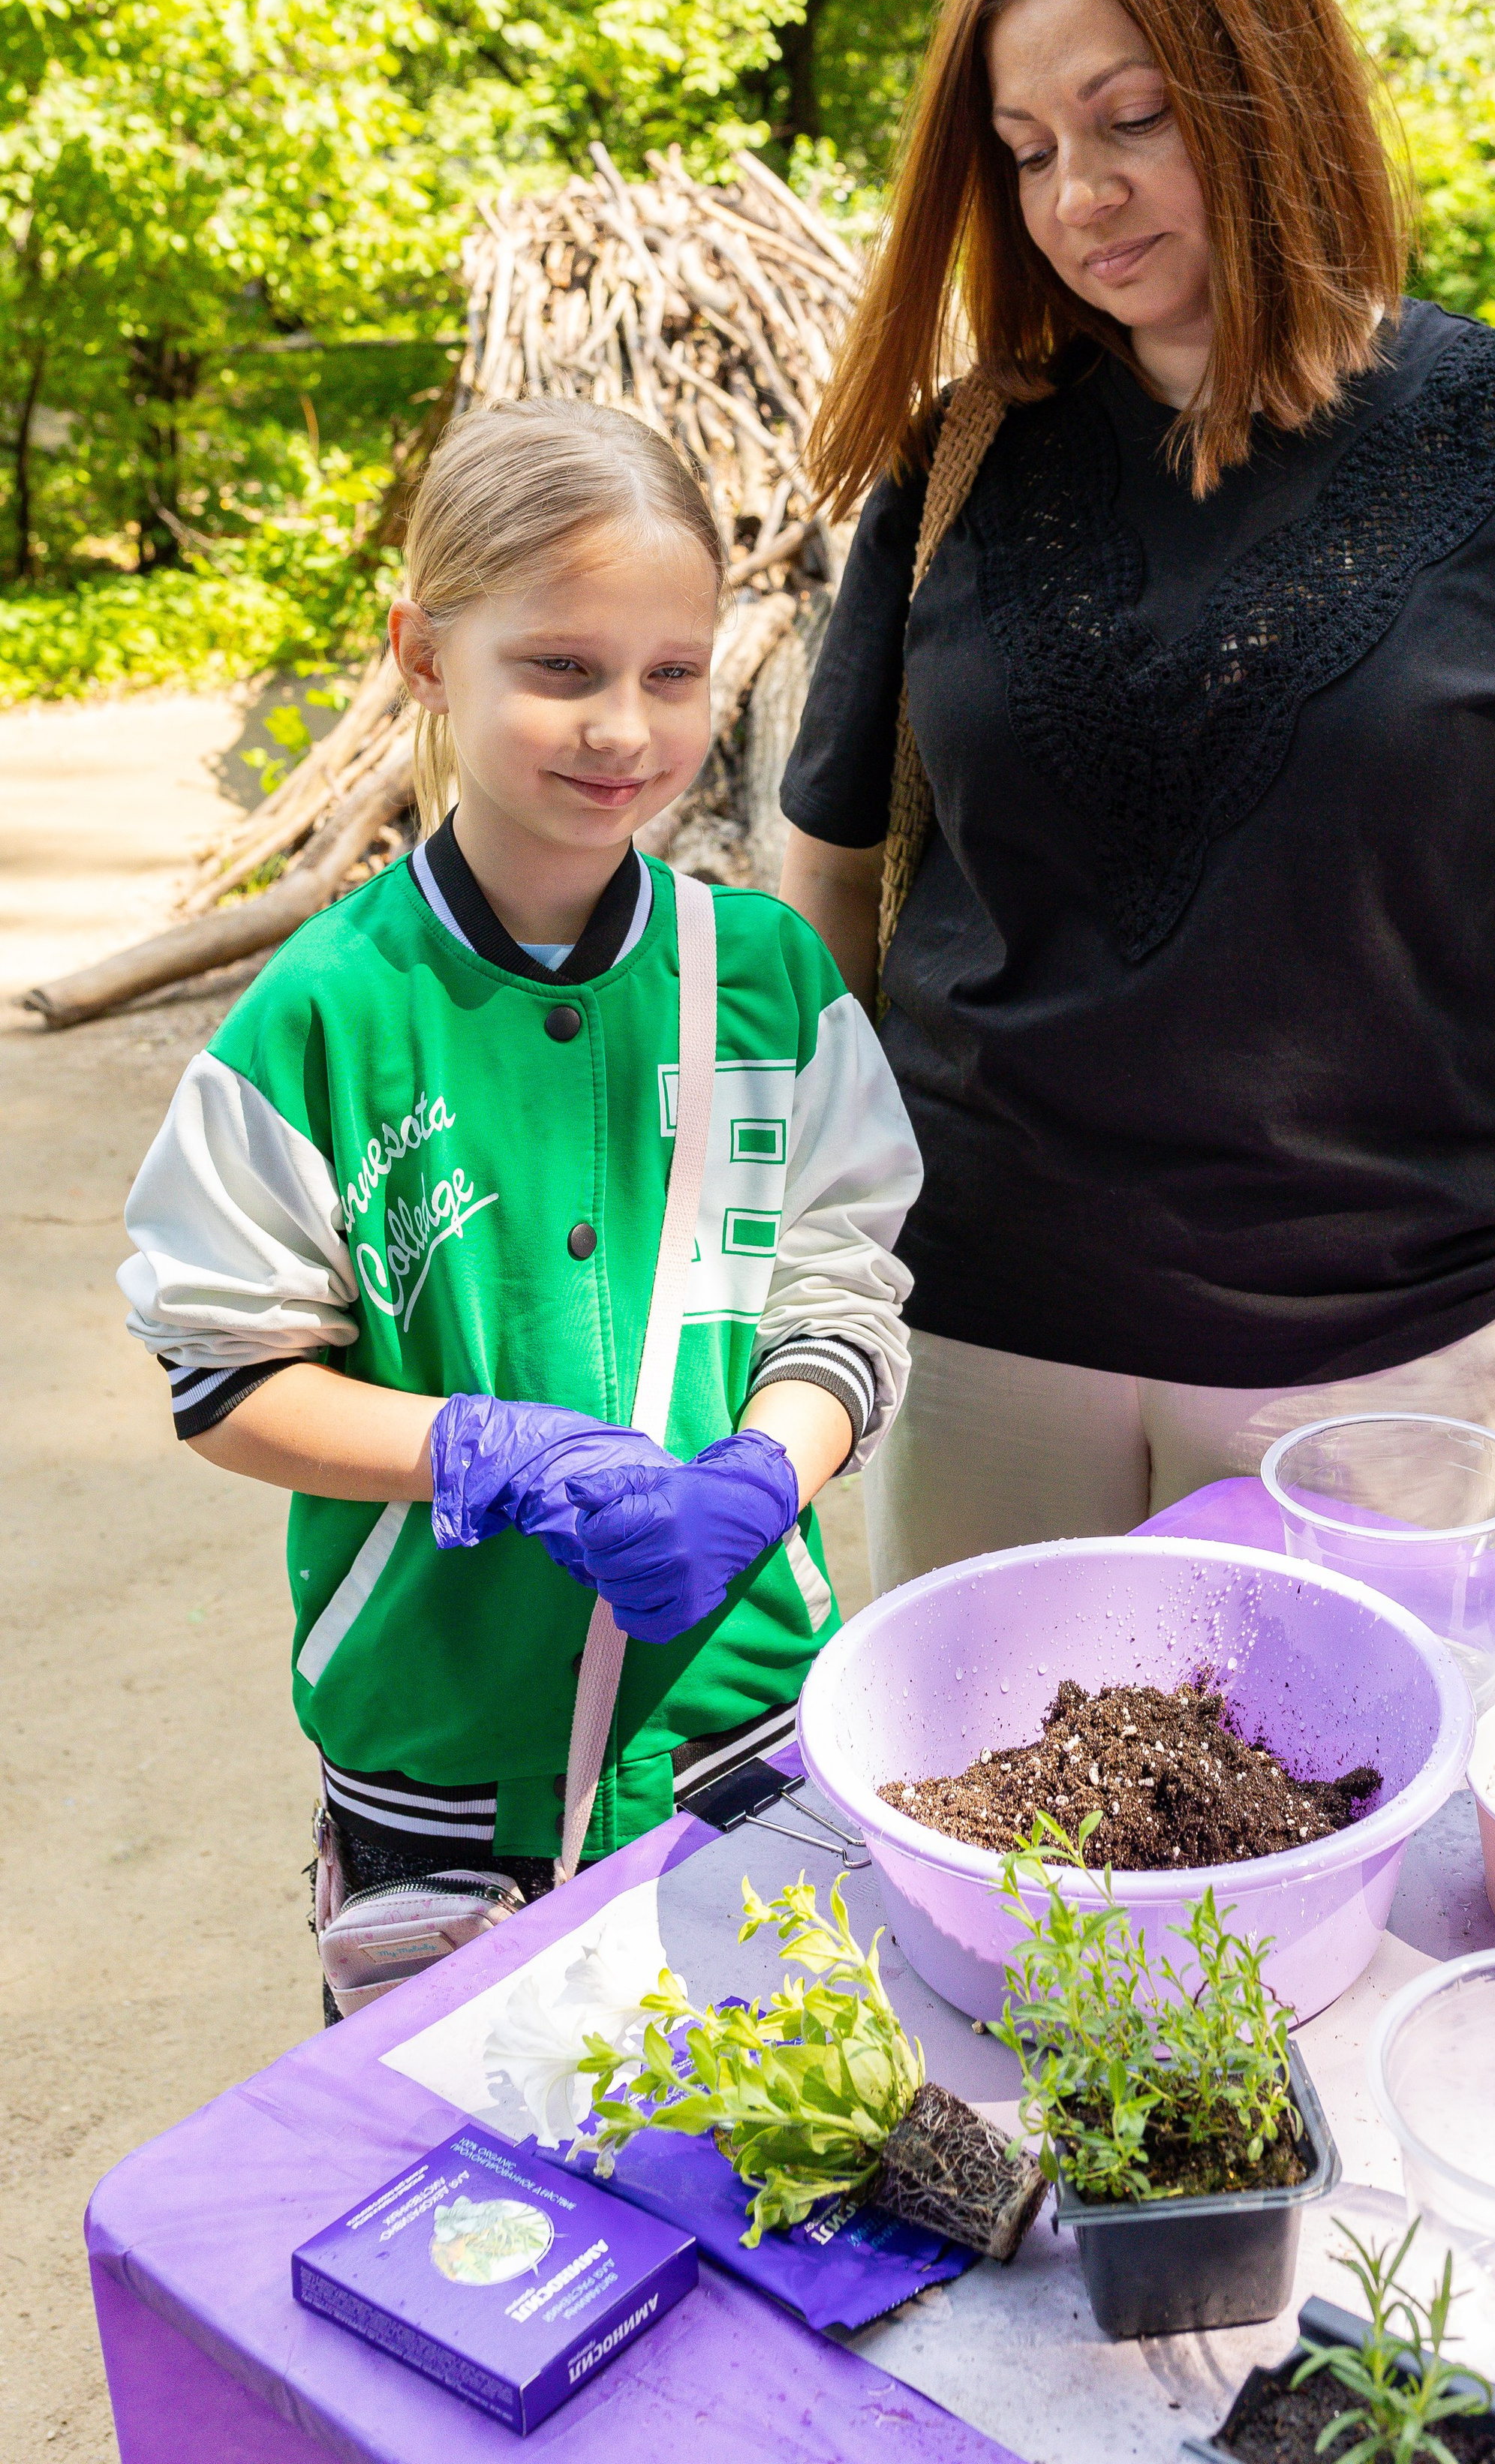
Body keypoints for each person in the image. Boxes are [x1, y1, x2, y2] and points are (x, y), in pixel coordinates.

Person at [778, 0, 1495, 1596]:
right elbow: (829, 858)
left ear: (1264, 92)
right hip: (975, 1320)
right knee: (987, 1838)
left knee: (1325, 1842)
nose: (1075, 198)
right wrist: (841, 1208)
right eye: (1027, 155)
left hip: (1376, 1355)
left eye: (1127, 122)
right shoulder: (959, 452)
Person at [121, 401, 920, 1958]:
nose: (623, 727)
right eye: (559, 669)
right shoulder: (323, 1016)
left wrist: (767, 1473)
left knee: (761, 2148)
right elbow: (224, 1382)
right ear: (425, 654)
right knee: (470, 2174)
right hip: (435, 1770)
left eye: (669, 675)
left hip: (739, 1733)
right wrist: (480, 1452)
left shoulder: (767, 982)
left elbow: (845, 1293)